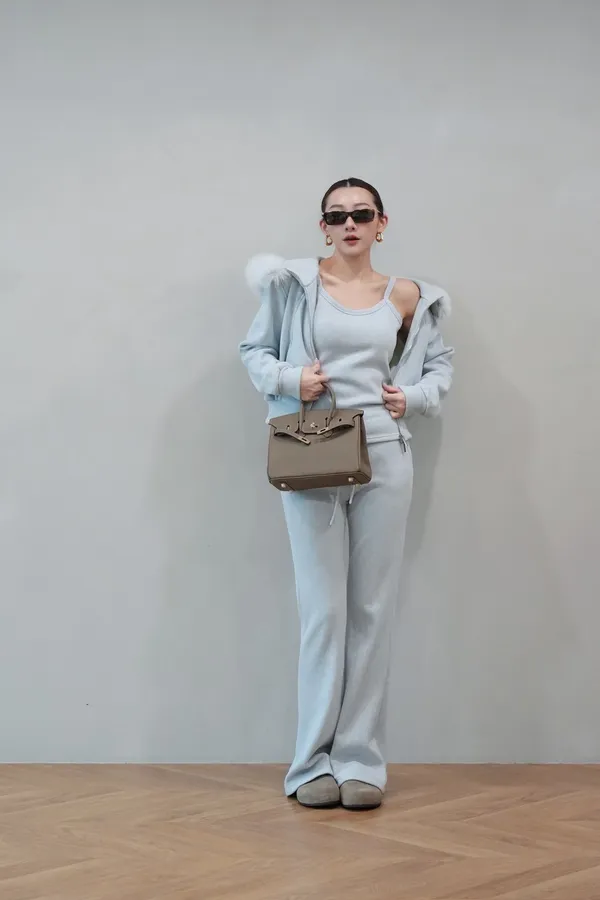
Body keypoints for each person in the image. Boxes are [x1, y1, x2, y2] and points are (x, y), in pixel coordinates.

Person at [239, 177, 454, 810]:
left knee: (371, 611)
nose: (349, 224)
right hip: (313, 452)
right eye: (337, 216)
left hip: (386, 455)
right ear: (324, 227)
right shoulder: (292, 286)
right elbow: (254, 351)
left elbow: (439, 367)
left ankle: (360, 759)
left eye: (362, 214)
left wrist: (412, 396)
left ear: (382, 223)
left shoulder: (409, 297)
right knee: (323, 612)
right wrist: (291, 379)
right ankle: (310, 763)